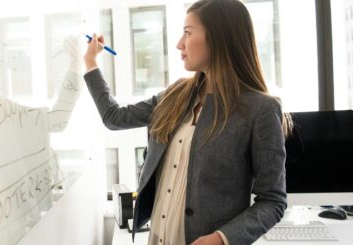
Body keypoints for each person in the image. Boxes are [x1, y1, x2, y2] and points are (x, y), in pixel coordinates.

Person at [83, 0, 293, 244]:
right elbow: (114, 117)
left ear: (219, 37)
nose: (179, 44)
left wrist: (221, 238)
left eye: (187, 33)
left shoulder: (261, 109)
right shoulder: (176, 95)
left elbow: (273, 201)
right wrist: (91, 62)